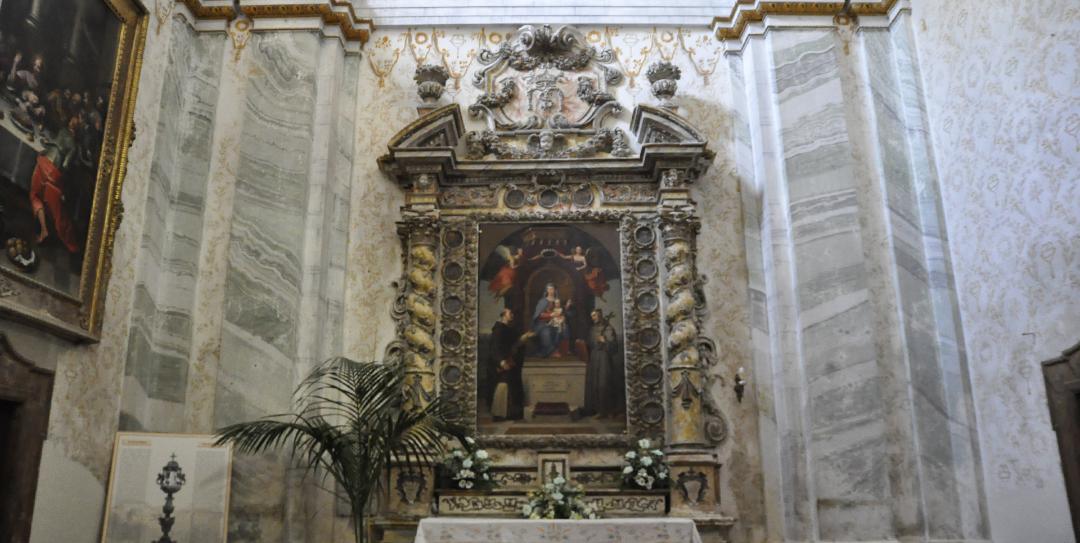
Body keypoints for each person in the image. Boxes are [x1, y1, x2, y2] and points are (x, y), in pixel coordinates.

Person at [487, 308, 534, 421]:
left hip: (511, 361)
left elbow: (514, 343)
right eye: (510, 313)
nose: (512, 315)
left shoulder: (508, 328)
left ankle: (511, 413)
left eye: (512, 313)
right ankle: (500, 414)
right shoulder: (498, 329)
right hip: (503, 363)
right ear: (503, 316)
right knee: (503, 386)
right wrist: (501, 361)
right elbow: (495, 348)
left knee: (512, 386)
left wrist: (524, 338)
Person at [582, 309, 624, 418]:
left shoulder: (609, 328)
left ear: (600, 315)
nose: (593, 318)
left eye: (594, 315)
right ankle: (597, 410)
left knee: (604, 384)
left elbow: (614, 348)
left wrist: (605, 341)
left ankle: (607, 410)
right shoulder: (592, 329)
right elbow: (589, 343)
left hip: (604, 357)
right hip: (594, 357)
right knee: (594, 383)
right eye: (592, 316)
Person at [531, 283, 573, 358]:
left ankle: (563, 349)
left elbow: (563, 311)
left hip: (557, 321)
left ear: (555, 290)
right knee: (547, 331)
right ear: (546, 290)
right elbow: (539, 315)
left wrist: (565, 312)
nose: (551, 291)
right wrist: (550, 315)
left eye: (552, 289)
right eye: (549, 289)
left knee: (565, 328)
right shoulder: (542, 301)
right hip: (544, 323)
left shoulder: (558, 300)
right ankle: (551, 351)